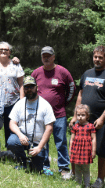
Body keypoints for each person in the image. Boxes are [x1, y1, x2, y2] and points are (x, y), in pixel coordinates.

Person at [69, 45, 105, 188]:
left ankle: (99, 180)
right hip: (83, 119)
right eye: (95, 57)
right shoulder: (87, 73)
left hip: (103, 120)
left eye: (100, 57)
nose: (97, 59)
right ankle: (75, 175)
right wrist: (74, 116)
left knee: (102, 149)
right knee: (78, 145)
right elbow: (80, 94)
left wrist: (102, 118)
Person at [28, 46, 75, 177]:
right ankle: (44, 166)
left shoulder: (62, 71)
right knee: (43, 141)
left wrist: (64, 103)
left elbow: (72, 88)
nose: (46, 58)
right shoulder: (36, 72)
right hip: (41, 115)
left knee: (61, 142)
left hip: (59, 114)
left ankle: (64, 168)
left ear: (54, 57)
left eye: (49, 55)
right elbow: (29, 89)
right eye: (44, 56)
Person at [7, 76, 55, 172]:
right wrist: (20, 135)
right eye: (26, 87)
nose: (29, 89)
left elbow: (49, 128)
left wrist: (39, 147)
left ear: (36, 87)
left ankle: (36, 161)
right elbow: (12, 123)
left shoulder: (45, 105)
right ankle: (22, 162)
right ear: (23, 89)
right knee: (11, 141)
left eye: (31, 87)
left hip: (37, 143)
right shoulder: (19, 104)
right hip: (22, 139)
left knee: (37, 170)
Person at [0, 42, 24, 148]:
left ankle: (11, 151)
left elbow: (21, 84)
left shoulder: (16, 65)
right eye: (1, 50)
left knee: (11, 127)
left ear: (9, 52)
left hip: (13, 102)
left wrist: (22, 101)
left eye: (6, 50)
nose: (3, 51)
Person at [70, 104, 96, 187]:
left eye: (83, 115)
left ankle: (87, 184)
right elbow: (72, 139)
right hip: (76, 150)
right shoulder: (75, 127)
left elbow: (93, 139)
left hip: (86, 151)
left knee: (86, 168)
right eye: (78, 115)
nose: (80, 117)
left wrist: (94, 151)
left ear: (87, 116)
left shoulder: (91, 126)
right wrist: (71, 150)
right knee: (77, 168)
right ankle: (78, 183)